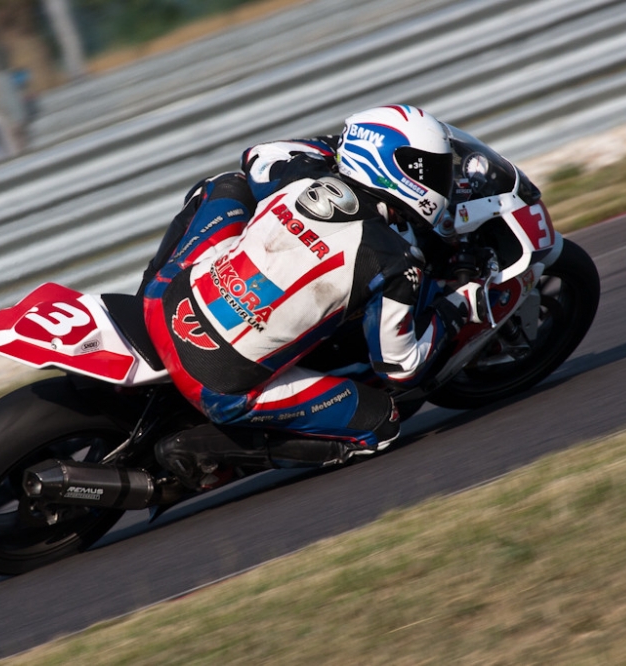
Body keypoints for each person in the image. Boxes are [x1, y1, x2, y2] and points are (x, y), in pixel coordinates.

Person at [140, 104, 486, 490]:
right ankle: (203, 448)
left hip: (163, 303)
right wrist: (461, 306)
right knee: (381, 421)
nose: (441, 180)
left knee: (227, 186)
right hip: (214, 384)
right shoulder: (396, 261)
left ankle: (140, 308)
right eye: (431, 170)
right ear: (399, 171)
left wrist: (331, 147)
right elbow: (400, 368)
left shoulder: (302, 172)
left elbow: (257, 155)